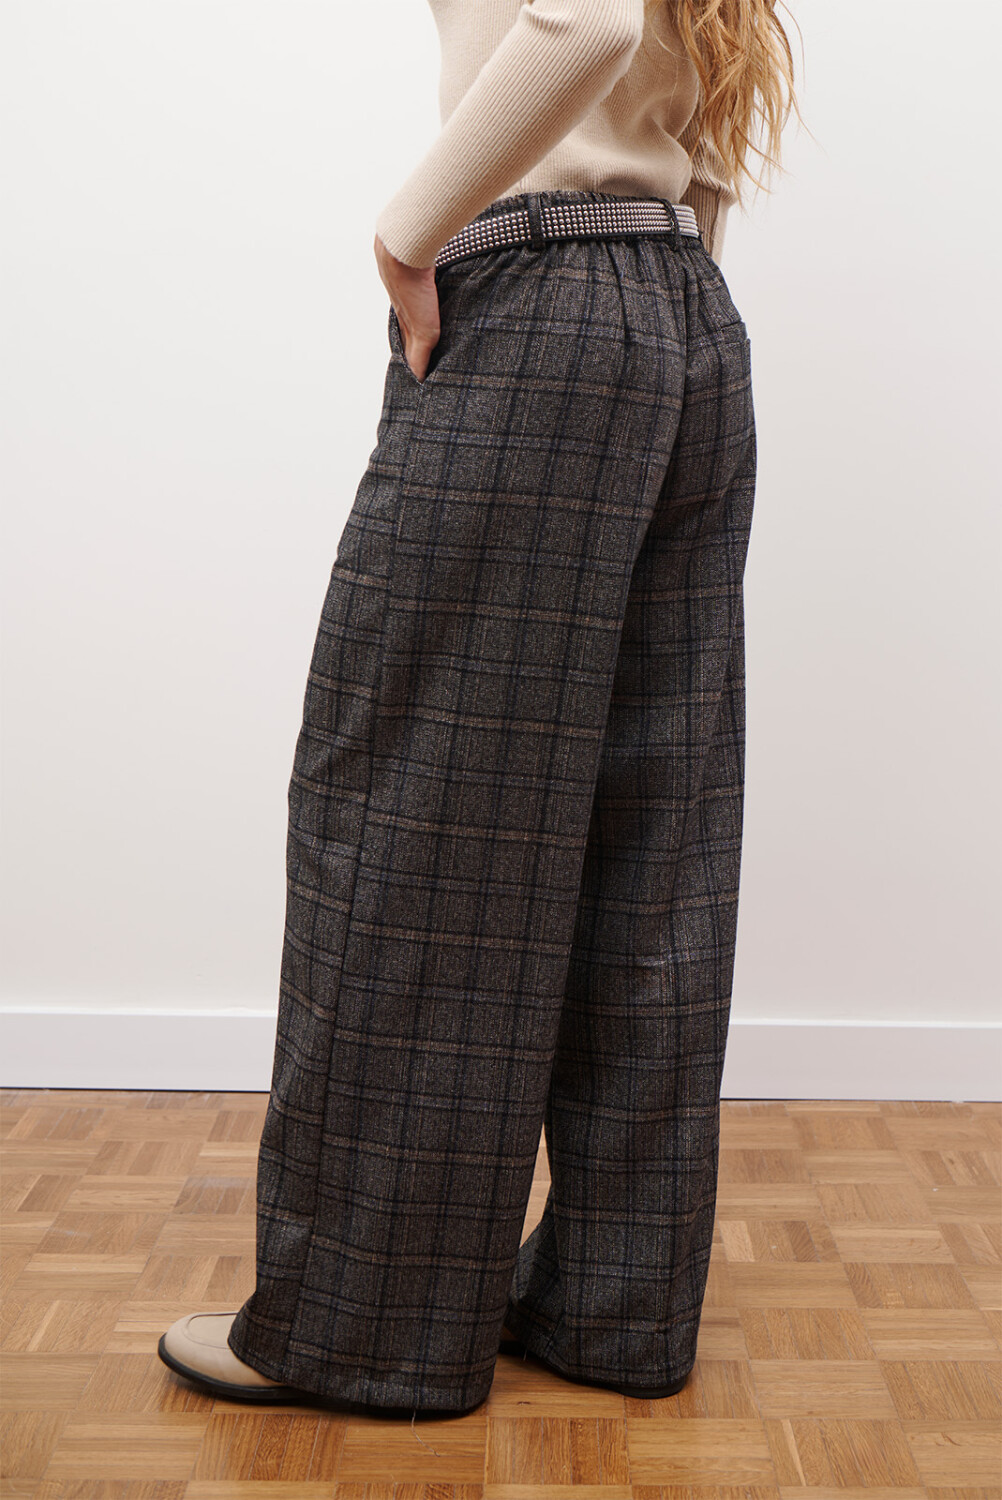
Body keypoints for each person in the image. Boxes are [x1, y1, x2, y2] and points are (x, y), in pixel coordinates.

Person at [159, 0, 799, 1417]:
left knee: (412, 823)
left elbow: (583, 20)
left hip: (541, 308)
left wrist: (407, 236)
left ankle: (362, 1328)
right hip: (681, 306)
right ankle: (611, 1307)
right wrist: (655, 303)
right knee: (650, 843)